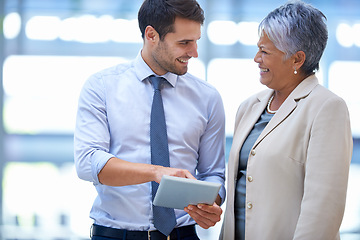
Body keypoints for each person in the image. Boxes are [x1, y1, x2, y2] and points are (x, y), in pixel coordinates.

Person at [74, 0, 226, 239]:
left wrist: (209, 205)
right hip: (114, 234)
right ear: (151, 35)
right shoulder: (102, 87)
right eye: (184, 42)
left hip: (183, 234)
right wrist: (155, 172)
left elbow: (213, 174)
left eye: (196, 41)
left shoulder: (208, 97)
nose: (194, 52)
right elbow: (87, 162)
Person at [220, 1, 353, 239]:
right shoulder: (248, 107)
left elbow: (323, 209)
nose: (256, 58)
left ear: (297, 59)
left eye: (265, 52)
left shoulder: (327, 108)